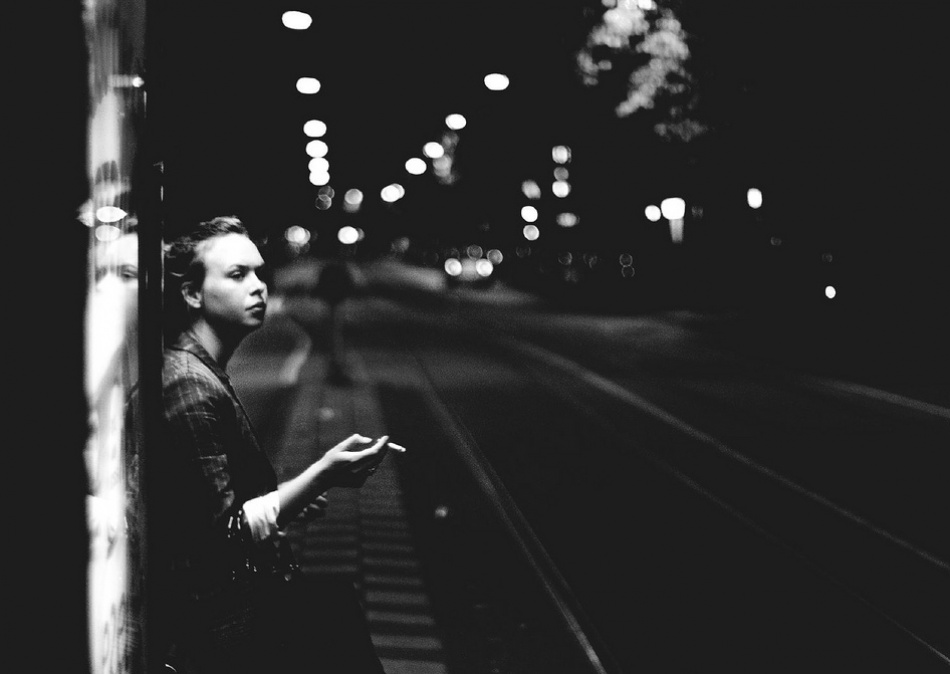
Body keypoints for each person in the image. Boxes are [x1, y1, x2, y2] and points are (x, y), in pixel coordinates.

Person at [153, 215, 398, 674]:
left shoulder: (198, 372)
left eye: (259, 272)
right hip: (225, 630)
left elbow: (200, 507)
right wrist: (320, 475)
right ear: (192, 293)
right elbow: (220, 539)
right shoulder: (189, 385)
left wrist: (288, 498)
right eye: (237, 274)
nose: (259, 287)